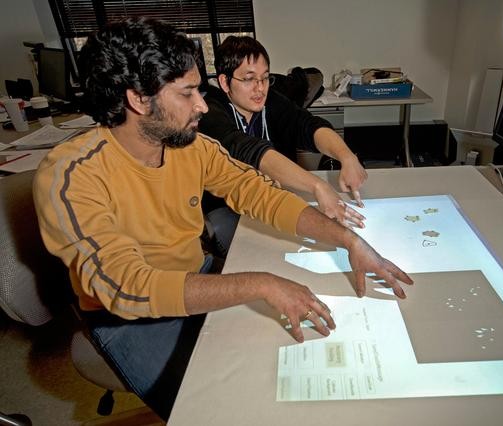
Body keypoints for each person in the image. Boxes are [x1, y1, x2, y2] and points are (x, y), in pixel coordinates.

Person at [32, 18, 413, 420]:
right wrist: (261, 283)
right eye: (187, 93)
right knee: (217, 410)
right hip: (128, 318)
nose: (201, 105)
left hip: (196, 275)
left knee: (278, 373)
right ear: (139, 99)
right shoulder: (71, 175)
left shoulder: (189, 146)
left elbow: (258, 192)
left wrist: (349, 240)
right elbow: (127, 287)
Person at [199, 36, 367, 254]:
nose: (260, 88)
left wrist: (346, 156)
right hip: (227, 208)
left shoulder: (271, 102)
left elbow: (307, 125)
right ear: (224, 82)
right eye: (249, 79)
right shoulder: (210, 114)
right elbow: (249, 151)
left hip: (276, 199)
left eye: (265, 78)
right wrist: (318, 186)